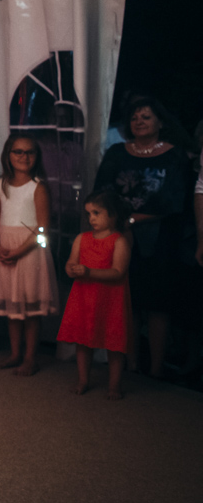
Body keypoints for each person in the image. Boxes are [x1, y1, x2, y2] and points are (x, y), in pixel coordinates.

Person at [91, 96, 192, 379]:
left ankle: (157, 370)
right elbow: (102, 192)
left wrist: (133, 219)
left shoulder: (175, 155)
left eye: (146, 117)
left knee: (158, 306)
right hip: (120, 237)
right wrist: (116, 223)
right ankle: (131, 365)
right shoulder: (116, 153)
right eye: (134, 118)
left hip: (160, 240)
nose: (139, 122)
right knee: (128, 302)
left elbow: (174, 201)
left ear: (160, 122)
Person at [0, 134, 59, 376]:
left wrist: (19, 251)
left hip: (30, 253)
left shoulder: (38, 187)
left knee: (29, 309)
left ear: (36, 157)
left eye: (29, 152)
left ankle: (30, 358)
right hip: (5, 249)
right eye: (18, 152)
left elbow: (42, 229)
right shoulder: (0, 184)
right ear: (8, 155)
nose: (23, 157)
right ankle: (15, 353)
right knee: (13, 306)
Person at [57, 190, 133, 400]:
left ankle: (114, 385)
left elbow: (118, 272)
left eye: (96, 213)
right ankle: (83, 379)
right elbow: (70, 261)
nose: (91, 219)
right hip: (84, 297)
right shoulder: (82, 238)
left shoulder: (119, 241)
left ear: (113, 214)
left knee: (113, 342)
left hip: (109, 299)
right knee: (83, 339)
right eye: (89, 214)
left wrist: (90, 272)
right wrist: (70, 268)